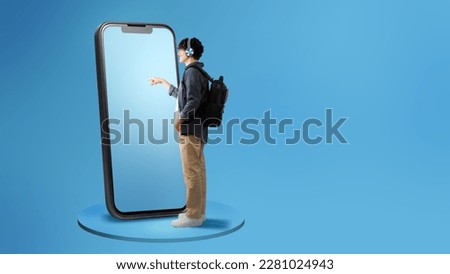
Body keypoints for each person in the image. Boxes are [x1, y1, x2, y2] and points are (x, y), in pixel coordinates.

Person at [149, 37, 208, 227]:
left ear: (189, 52)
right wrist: (163, 82)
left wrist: (180, 119)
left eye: (180, 50)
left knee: (191, 172)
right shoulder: (198, 72)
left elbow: (192, 101)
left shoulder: (191, 72)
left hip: (189, 129)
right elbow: (182, 96)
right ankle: (198, 213)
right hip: (198, 129)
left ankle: (192, 216)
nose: (178, 53)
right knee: (198, 172)